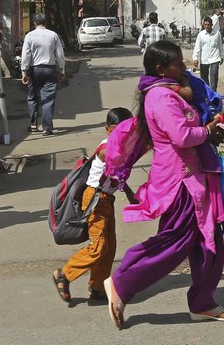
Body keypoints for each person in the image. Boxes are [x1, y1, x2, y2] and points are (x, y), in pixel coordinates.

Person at [103, 41, 224, 329]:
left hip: (197, 176)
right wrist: (208, 129)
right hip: (181, 182)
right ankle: (121, 283)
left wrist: (209, 129)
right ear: (160, 69)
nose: (184, 68)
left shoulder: (173, 92)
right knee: (174, 243)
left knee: (208, 241)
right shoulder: (161, 97)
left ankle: (203, 303)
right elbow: (182, 137)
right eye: (178, 64)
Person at [52, 108, 138, 304]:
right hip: (95, 199)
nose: (120, 134)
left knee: (109, 247)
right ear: (108, 130)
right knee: (98, 246)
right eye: (116, 130)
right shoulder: (107, 148)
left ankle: (98, 287)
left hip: (107, 199)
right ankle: (64, 274)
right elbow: (115, 167)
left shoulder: (122, 147)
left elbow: (118, 177)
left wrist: (130, 193)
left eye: (125, 130)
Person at [21, 13, 66, 136]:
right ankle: (47, 128)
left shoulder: (29, 36)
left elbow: (26, 55)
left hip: (34, 70)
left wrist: (24, 71)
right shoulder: (53, 35)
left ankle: (34, 125)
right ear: (46, 23)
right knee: (48, 99)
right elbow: (59, 54)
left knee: (32, 97)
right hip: (50, 70)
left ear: (34, 23)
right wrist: (62, 69)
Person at [192, 17, 224, 91]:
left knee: (214, 74)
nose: (207, 26)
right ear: (203, 25)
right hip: (204, 59)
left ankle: (213, 92)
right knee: (204, 77)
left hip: (215, 58)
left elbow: (220, 45)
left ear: (212, 25)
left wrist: (221, 56)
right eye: (205, 25)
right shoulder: (201, 35)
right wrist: (195, 58)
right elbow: (197, 47)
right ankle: (208, 92)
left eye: (208, 25)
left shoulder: (217, 33)